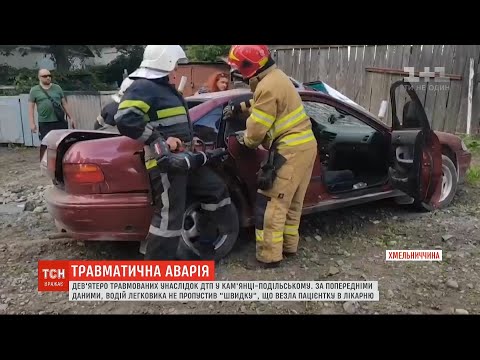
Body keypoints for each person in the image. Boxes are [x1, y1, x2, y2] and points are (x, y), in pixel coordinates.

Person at [114, 45, 236, 261]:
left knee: (215, 190)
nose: (177, 68)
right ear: (166, 62)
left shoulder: (164, 88)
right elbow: (125, 118)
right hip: (166, 163)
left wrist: (191, 141)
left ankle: (205, 243)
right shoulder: (144, 87)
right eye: (176, 63)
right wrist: (158, 139)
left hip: (184, 158)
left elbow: (173, 122)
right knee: (169, 216)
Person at [224, 45, 318, 268]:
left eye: (238, 66)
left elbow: (256, 131)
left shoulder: (266, 86)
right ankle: (288, 247)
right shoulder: (276, 77)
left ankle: (269, 257)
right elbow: (262, 104)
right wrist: (241, 107)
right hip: (306, 147)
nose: (236, 71)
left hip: (289, 151)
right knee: (292, 203)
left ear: (249, 67)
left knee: (270, 204)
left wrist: (244, 139)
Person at [28, 69, 76, 140]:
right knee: (46, 143)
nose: (48, 77)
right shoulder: (34, 90)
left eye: (49, 75)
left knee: (62, 141)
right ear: (39, 77)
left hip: (59, 120)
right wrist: (32, 123)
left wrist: (71, 117)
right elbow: (30, 108)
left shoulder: (57, 88)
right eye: (45, 76)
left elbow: (64, 104)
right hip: (45, 122)